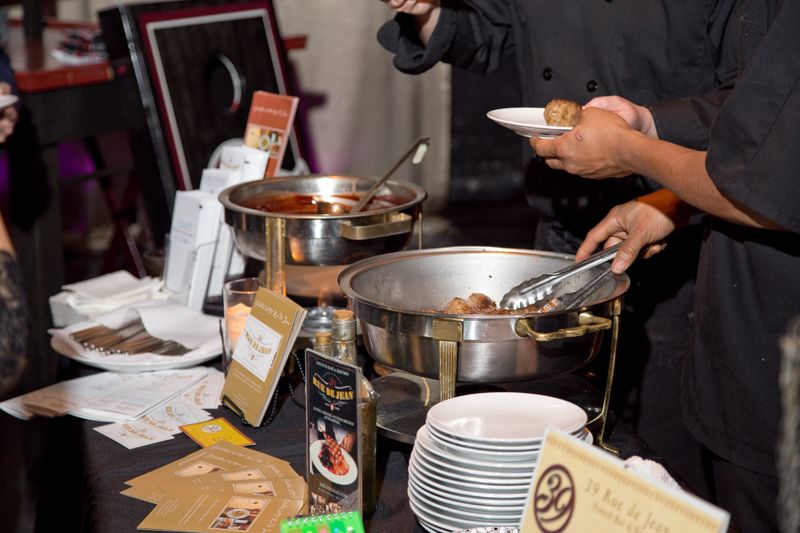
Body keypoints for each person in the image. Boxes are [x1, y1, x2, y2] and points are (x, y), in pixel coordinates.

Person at [377, 0, 744, 497]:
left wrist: (648, 127)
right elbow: (486, 30)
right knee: (546, 457)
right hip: (559, 246)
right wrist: (425, 12)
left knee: (658, 474)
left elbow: (760, 112)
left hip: (683, 249)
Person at [530, 1, 798, 530]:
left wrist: (629, 150)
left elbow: (762, 186)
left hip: (777, 362)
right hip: (737, 347)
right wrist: (671, 203)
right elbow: (764, 136)